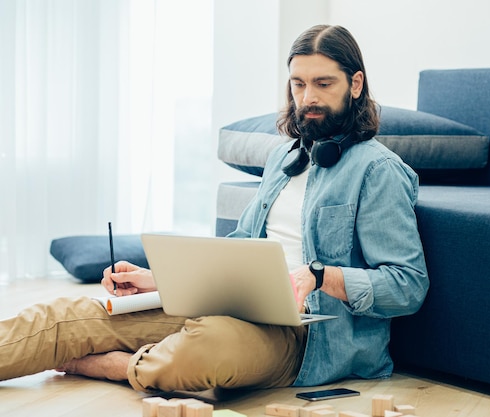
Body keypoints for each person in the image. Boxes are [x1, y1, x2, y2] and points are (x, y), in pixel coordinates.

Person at [0, 24, 428, 393]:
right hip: (238, 308)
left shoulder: (379, 171)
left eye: (323, 83)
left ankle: (107, 364)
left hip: (310, 339)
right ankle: (129, 355)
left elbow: (408, 286)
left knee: (204, 346)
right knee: (67, 316)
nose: (308, 97)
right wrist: (158, 281)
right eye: (298, 84)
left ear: (355, 85)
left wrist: (319, 277)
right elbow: (238, 251)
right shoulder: (284, 159)